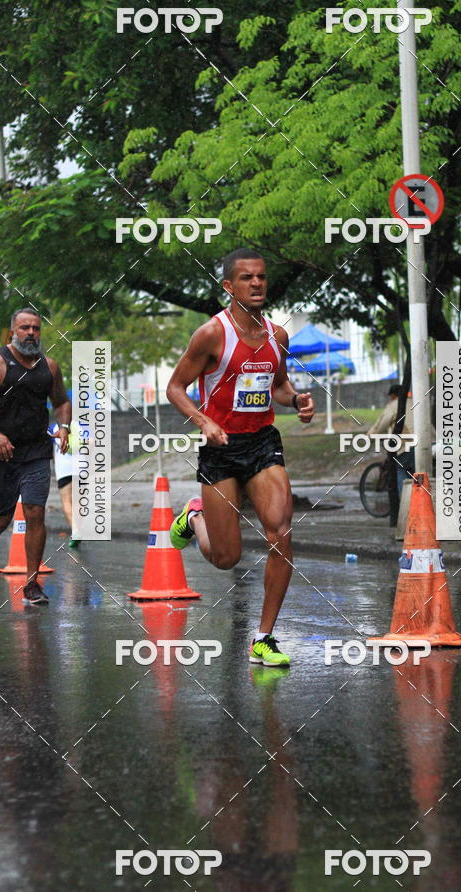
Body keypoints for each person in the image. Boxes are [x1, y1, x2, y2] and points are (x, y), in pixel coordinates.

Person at [166, 249, 314, 668]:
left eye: (261, 277)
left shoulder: (277, 336)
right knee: (225, 558)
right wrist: (203, 422)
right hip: (221, 449)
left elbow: (277, 386)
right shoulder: (211, 334)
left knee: (281, 532)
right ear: (229, 287)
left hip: (262, 443)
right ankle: (194, 517)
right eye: (247, 278)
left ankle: (263, 638)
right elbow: (175, 387)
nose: (257, 283)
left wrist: (296, 401)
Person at [0, 308, 71, 604]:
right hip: (1, 451)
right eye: (24, 328)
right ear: (12, 331)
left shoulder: (49, 367)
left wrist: (63, 427)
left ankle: (32, 584)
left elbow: (61, 401)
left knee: (35, 512)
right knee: (0, 519)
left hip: (36, 451)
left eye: (36, 328)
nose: (31, 333)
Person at [369, 384, 415, 498]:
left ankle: (405, 502)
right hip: (429, 443)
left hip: (409, 445)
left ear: (393, 395)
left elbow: (381, 424)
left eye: (390, 397)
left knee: (399, 468)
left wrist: (370, 436)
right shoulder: (415, 402)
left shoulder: (394, 405)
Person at [48, 417, 80, 549]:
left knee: (67, 500)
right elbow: (92, 443)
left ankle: (76, 531)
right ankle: (79, 528)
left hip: (63, 468)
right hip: (80, 467)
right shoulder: (82, 425)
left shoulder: (53, 428)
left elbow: (50, 448)